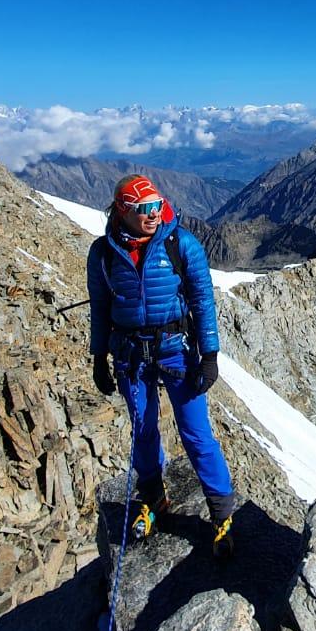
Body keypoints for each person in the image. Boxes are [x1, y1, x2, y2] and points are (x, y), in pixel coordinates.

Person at [87, 174, 237, 557]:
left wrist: (209, 355)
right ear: (122, 211)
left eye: (156, 205)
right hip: (130, 356)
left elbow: (203, 300)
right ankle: (154, 497)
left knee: (196, 433)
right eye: (143, 209)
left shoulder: (180, 243)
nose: (154, 214)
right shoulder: (102, 253)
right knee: (142, 428)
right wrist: (99, 356)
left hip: (175, 352)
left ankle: (222, 516)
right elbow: (100, 307)